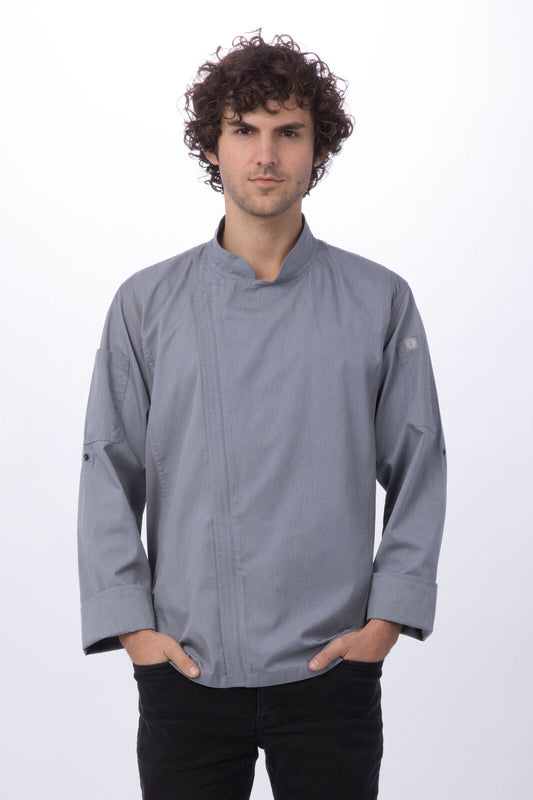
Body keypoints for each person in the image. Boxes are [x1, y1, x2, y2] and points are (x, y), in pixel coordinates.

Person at [77, 32, 447, 800]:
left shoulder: (378, 300)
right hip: (186, 670)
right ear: (211, 146)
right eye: (244, 129)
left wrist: (385, 623)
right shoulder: (145, 304)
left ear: (318, 148)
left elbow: (419, 465)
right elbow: (107, 468)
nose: (265, 154)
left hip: (331, 672)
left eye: (288, 131)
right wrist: (135, 631)